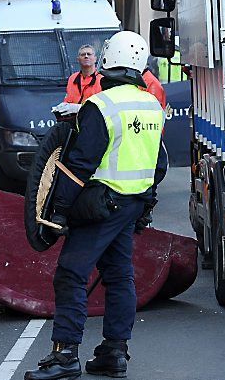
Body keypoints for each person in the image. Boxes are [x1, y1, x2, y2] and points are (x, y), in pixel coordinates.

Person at [25, 31, 167, 380]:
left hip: (100, 205)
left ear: (107, 61)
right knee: (119, 275)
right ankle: (114, 352)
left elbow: (78, 166)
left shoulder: (100, 106)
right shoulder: (152, 105)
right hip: (133, 205)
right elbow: (159, 164)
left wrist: (56, 211)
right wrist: (144, 203)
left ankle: (65, 356)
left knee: (71, 273)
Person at [64, 42, 167, 110]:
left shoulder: (150, 83)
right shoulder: (73, 79)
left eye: (89, 54)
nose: (86, 56)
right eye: (83, 54)